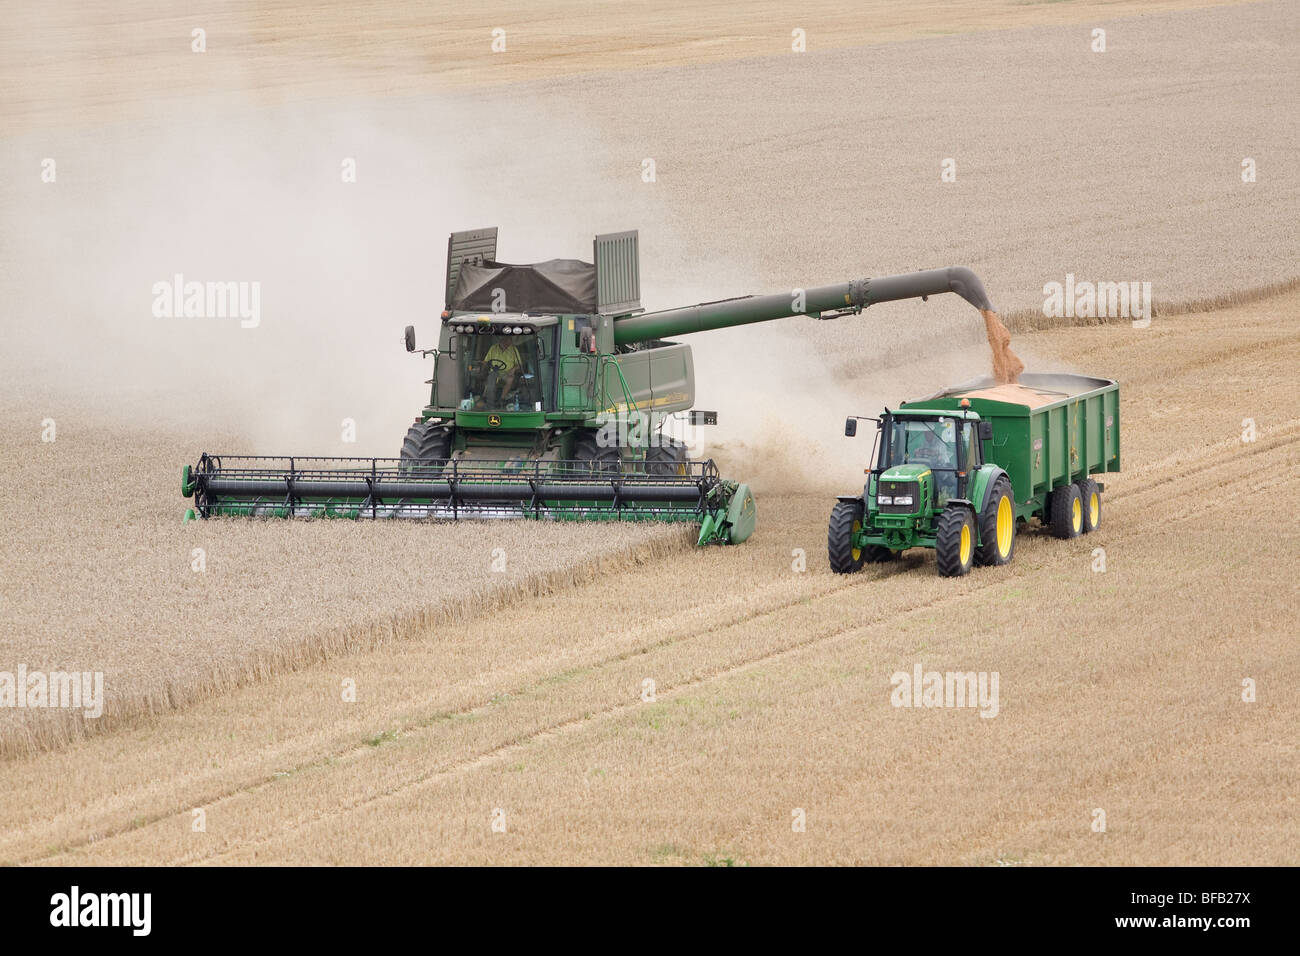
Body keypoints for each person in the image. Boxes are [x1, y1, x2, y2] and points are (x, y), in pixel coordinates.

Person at [481, 339, 523, 408]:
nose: (506, 343)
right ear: (500, 341)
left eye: (508, 342)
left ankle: (502, 399)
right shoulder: (493, 348)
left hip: (507, 372)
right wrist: (482, 368)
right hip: (494, 371)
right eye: (505, 341)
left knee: (510, 379)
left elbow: (519, 364)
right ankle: (485, 398)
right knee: (490, 379)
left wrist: (513, 370)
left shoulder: (514, 349)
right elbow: (486, 361)